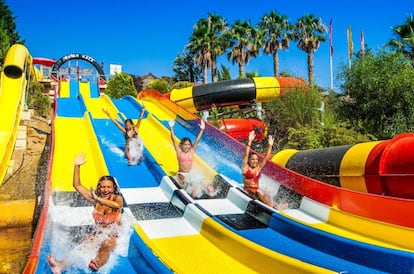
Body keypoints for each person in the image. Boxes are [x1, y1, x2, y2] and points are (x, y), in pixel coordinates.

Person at [47, 153, 124, 273]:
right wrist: (77, 166)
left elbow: (117, 206)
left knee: (105, 246)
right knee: (82, 246)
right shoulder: (96, 199)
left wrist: (97, 198)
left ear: (114, 188)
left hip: (112, 234)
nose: (105, 190)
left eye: (109, 187)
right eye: (102, 187)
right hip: (98, 232)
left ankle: (96, 263)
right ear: (99, 187)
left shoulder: (116, 199)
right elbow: (77, 185)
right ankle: (60, 266)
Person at [242, 130, 288, 210]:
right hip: (249, 191)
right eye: (252, 159)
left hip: (257, 191)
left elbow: (266, 157)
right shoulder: (245, 168)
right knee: (258, 192)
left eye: (256, 159)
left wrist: (270, 145)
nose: (255, 161)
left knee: (264, 191)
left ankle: (275, 205)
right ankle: (271, 207)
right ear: (249, 160)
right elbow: (246, 155)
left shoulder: (258, 167)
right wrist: (249, 141)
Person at [169, 119, 216, 198]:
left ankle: (211, 196)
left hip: (190, 174)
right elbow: (173, 139)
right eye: (185, 145)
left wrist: (202, 129)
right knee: (191, 186)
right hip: (182, 174)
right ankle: (192, 197)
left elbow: (197, 140)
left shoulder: (191, 151)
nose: (187, 146)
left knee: (208, 186)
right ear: (181, 145)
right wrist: (171, 128)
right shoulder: (179, 152)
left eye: (188, 144)